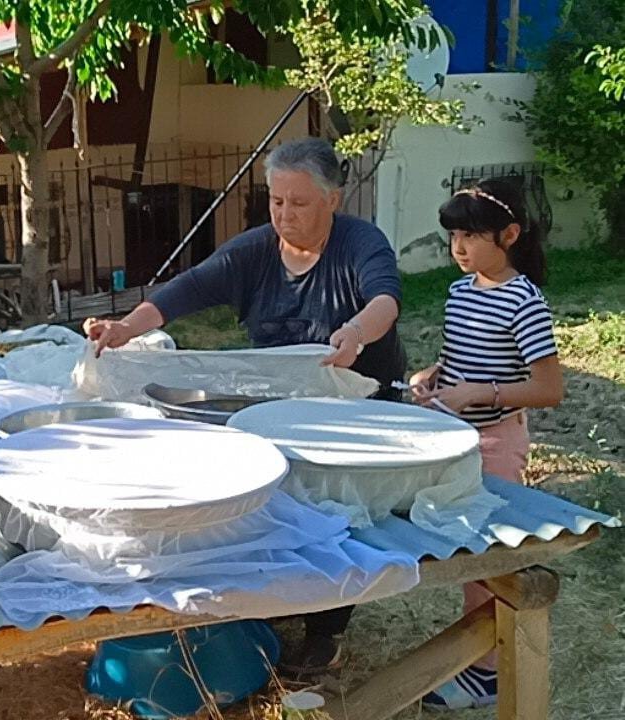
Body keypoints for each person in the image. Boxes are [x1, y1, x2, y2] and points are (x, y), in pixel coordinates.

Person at [84, 136, 407, 675]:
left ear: (333, 199)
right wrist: (124, 329)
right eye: (277, 201)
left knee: (340, 511)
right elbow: (182, 292)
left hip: (358, 410)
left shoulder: (359, 243)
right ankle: (279, 598)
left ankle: (326, 629)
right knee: (274, 504)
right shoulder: (255, 250)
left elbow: (385, 300)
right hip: (278, 407)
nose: (285, 214)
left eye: (300, 203)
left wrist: (353, 332)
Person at [409, 179, 563, 710]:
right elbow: (461, 359)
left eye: (472, 235)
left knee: (489, 553)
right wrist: (434, 376)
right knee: (464, 547)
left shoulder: (525, 301)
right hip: (455, 435)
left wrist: (486, 393)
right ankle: (478, 656)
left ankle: (492, 670)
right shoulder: (459, 292)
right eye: (453, 235)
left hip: (498, 440)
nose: (459, 248)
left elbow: (549, 388)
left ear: (510, 235)